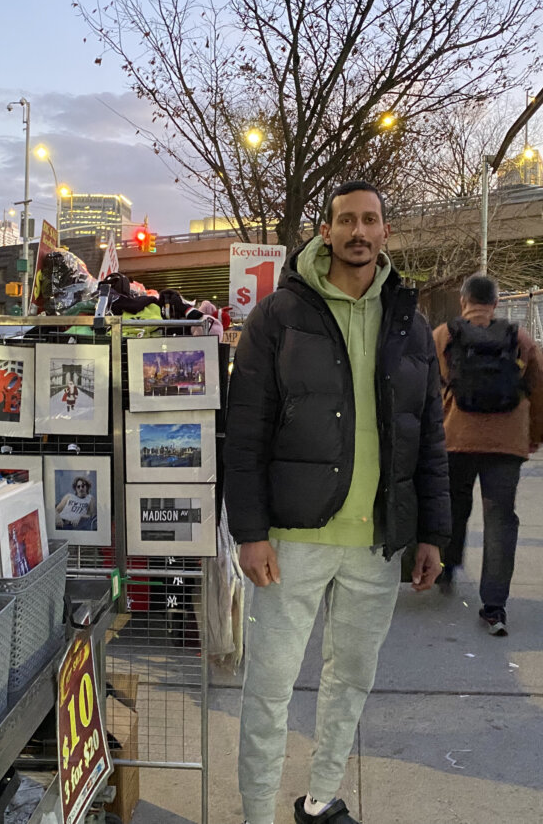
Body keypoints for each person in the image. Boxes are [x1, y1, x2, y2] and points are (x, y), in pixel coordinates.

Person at [225, 180, 450, 824]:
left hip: (375, 542)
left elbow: (427, 436)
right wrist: (250, 531)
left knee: (351, 680)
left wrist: (432, 532)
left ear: (385, 232)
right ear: (326, 231)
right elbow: (244, 433)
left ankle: (321, 797)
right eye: (345, 220)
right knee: (268, 688)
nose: (358, 231)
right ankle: (257, 814)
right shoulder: (277, 316)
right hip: (291, 538)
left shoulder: (407, 323)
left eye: (370, 220)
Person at [432, 274, 543, 636]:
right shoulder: (520, 339)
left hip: (454, 438)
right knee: (500, 518)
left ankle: (447, 565)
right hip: (506, 443)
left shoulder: (443, 335)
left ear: (462, 300)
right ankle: (494, 607)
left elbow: (425, 385)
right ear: (497, 303)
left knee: (453, 504)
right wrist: (532, 435)